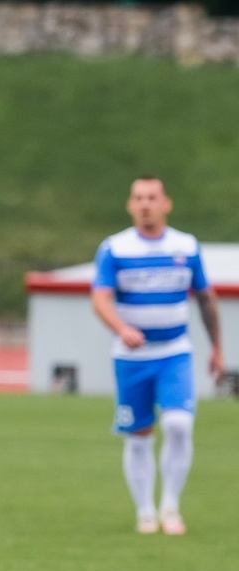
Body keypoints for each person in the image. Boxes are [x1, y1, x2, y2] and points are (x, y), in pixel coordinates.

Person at [90, 175, 223, 535]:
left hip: (174, 352)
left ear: (166, 203)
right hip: (131, 358)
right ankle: (145, 510)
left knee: (179, 425)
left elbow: (206, 298)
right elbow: (100, 298)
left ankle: (171, 506)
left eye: (152, 197)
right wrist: (122, 329)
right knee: (139, 434)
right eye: (138, 198)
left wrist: (217, 348)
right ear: (130, 205)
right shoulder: (115, 249)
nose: (145, 204)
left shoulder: (186, 246)